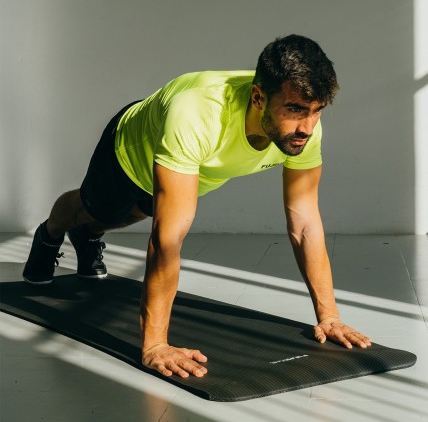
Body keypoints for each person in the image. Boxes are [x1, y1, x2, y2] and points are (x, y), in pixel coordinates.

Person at [23, 34, 372, 379]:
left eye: (316, 111)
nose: (307, 126)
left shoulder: (304, 131)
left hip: (188, 170)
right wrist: (155, 344)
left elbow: (305, 223)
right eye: (295, 110)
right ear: (258, 98)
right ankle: (50, 234)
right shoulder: (197, 112)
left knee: (131, 216)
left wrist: (329, 316)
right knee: (93, 210)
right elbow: (168, 239)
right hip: (129, 153)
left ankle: (88, 237)